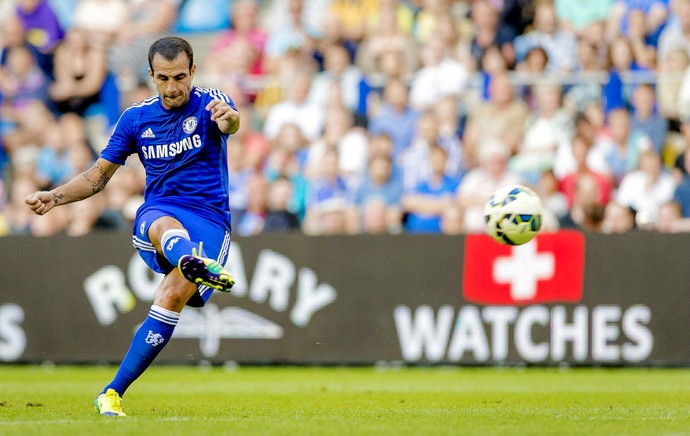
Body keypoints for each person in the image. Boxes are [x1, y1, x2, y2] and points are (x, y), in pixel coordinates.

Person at [24, 36, 240, 416]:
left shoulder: (212, 104)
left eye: (179, 77)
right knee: (163, 223)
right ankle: (190, 258)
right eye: (163, 78)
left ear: (193, 71)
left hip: (209, 219)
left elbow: (233, 122)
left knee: (172, 295)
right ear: (151, 76)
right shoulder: (135, 119)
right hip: (159, 212)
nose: (172, 87)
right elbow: (97, 177)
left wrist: (230, 119)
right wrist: (54, 197)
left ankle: (111, 392)